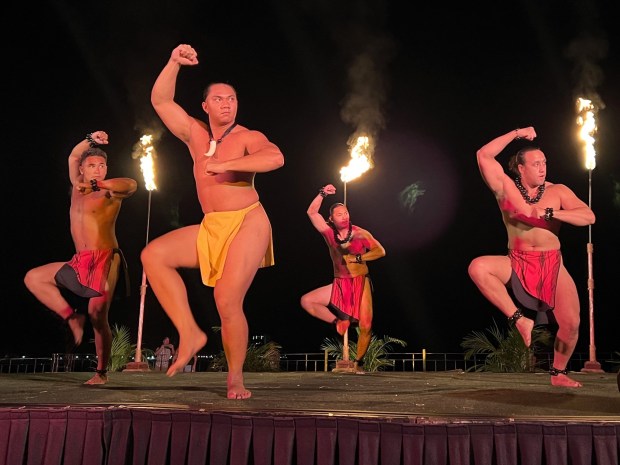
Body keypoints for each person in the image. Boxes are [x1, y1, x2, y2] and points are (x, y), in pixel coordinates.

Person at [143, 44, 284, 399]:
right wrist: (173, 62)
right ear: (205, 106)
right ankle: (189, 332)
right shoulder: (194, 134)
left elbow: (275, 158)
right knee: (152, 256)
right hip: (212, 225)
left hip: (249, 221)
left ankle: (235, 378)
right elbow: (161, 102)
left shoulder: (247, 136)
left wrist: (226, 166)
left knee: (226, 298)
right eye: (218, 99)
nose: (226, 103)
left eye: (232, 98)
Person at [468, 126, 595, 388]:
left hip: (552, 263)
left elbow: (588, 216)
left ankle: (558, 373)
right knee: (478, 267)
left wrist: (551, 214)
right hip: (517, 261)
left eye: (545, 163)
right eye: (536, 163)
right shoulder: (505, 187)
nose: (542, 168)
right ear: (521, 168)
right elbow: (483, 155)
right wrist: (516, 133)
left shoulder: (558, 191)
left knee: (571, 323)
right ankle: (519, 320)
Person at [24, 131, 137, 385]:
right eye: (92, 166)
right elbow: (74, 155)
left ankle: (101, 372)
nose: (98, 170)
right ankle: (72, 318)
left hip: (106, 258)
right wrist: (91, 138)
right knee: (34, 278)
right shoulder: (76, 187)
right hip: (80, 261)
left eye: (101, 165)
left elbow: (131, 185)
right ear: (82, 170)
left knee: (98, 315)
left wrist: (99, 185)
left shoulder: (110, 192)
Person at [300, 184, 386, 373]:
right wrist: (322, 193)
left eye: (346, 212)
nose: (344, 216)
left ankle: (359, 362)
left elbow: (380, 251)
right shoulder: (328, 233)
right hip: (339, 283)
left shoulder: (359, 233)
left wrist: (358, 257)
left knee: (366, 324)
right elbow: (312, 212)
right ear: (331, 219)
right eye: (339, 214)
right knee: (307, 301)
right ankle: (337, 322)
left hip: (360, 281)